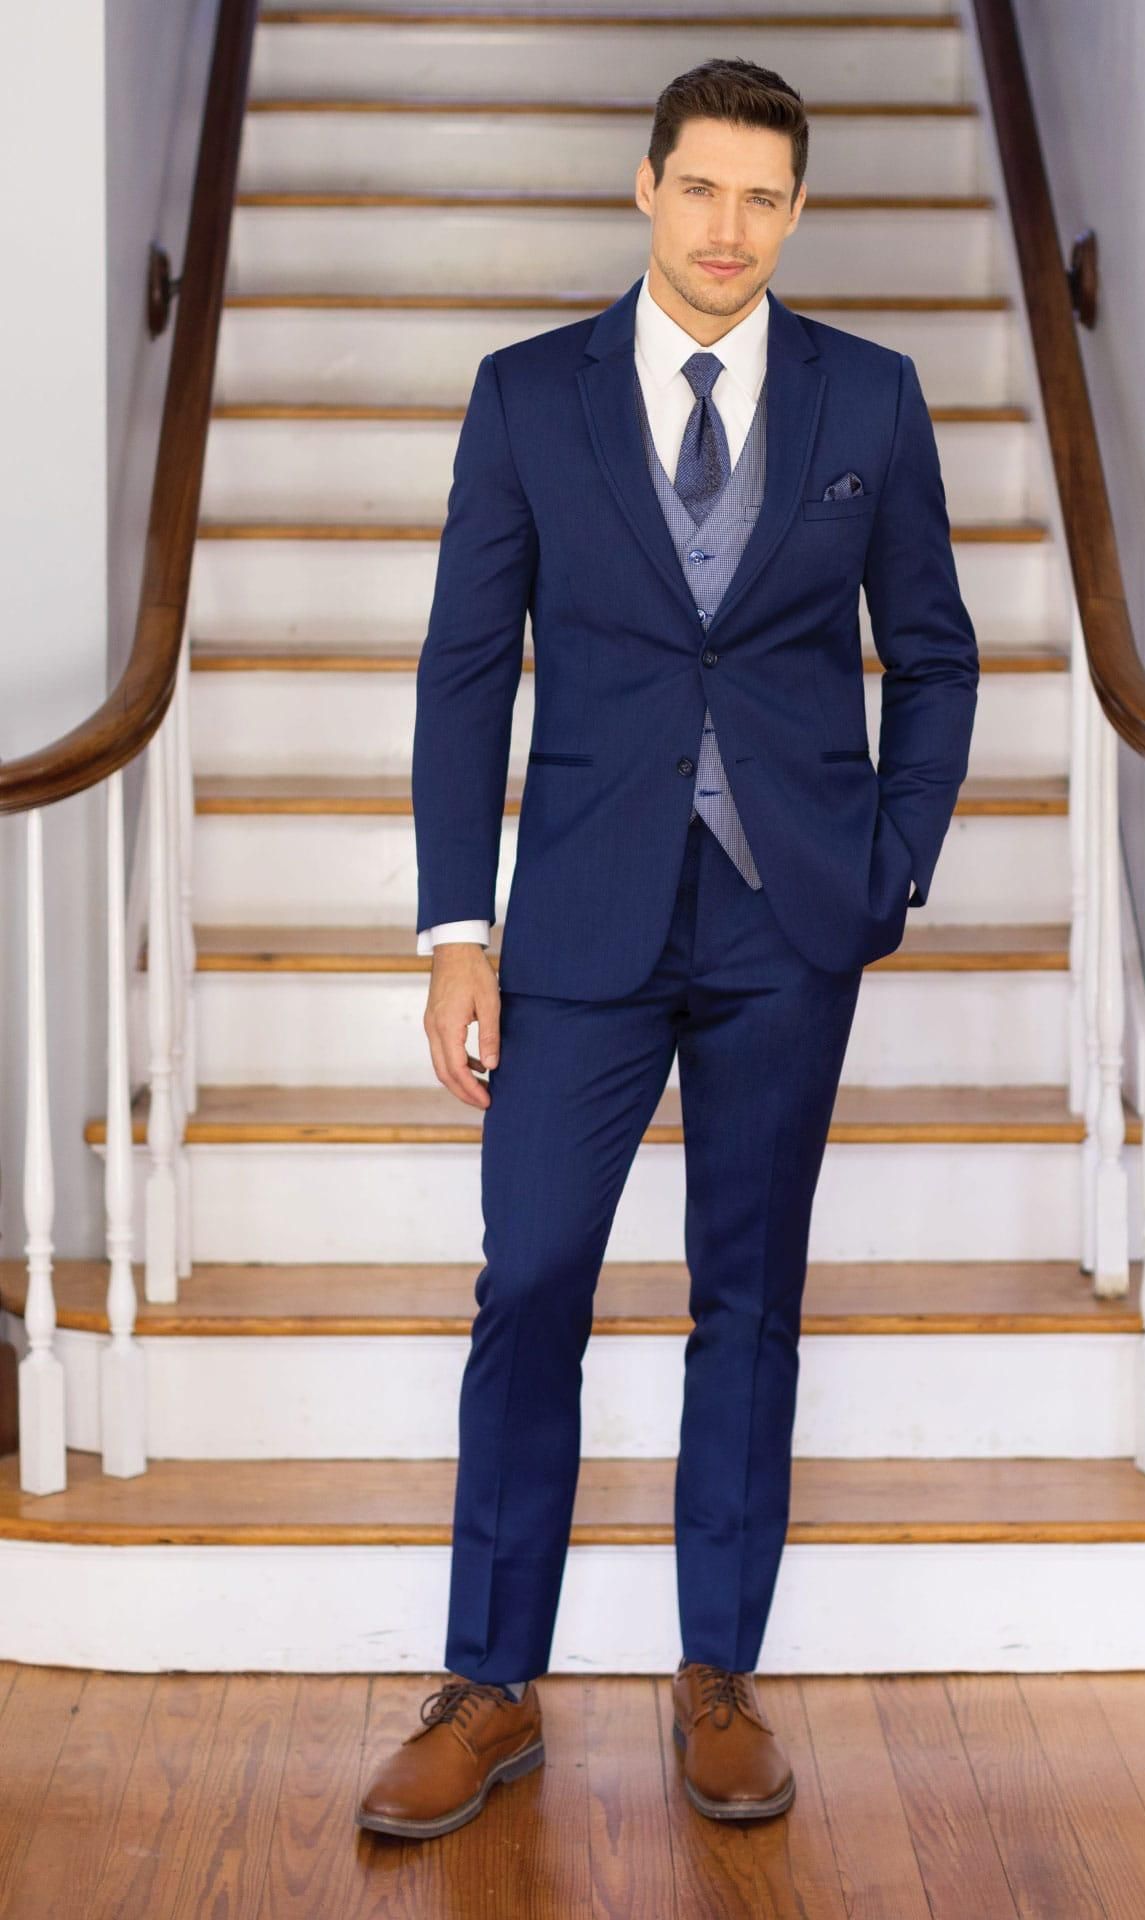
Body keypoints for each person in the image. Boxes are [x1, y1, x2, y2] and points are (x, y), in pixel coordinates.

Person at [358, 56, 978, 1841]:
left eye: (764, 198)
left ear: (795, 210)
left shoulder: (872, 395)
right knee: (532, 1279)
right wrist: (457, 930)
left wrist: (893, 865)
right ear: (646, 188)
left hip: (793, 917)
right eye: (701, 190)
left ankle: (719, 1674)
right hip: (580, 918)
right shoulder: (529, 397)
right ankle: (491, 1684)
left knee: (748, 1297)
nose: (729, 230)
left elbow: (932, 654)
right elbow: (466, 667)